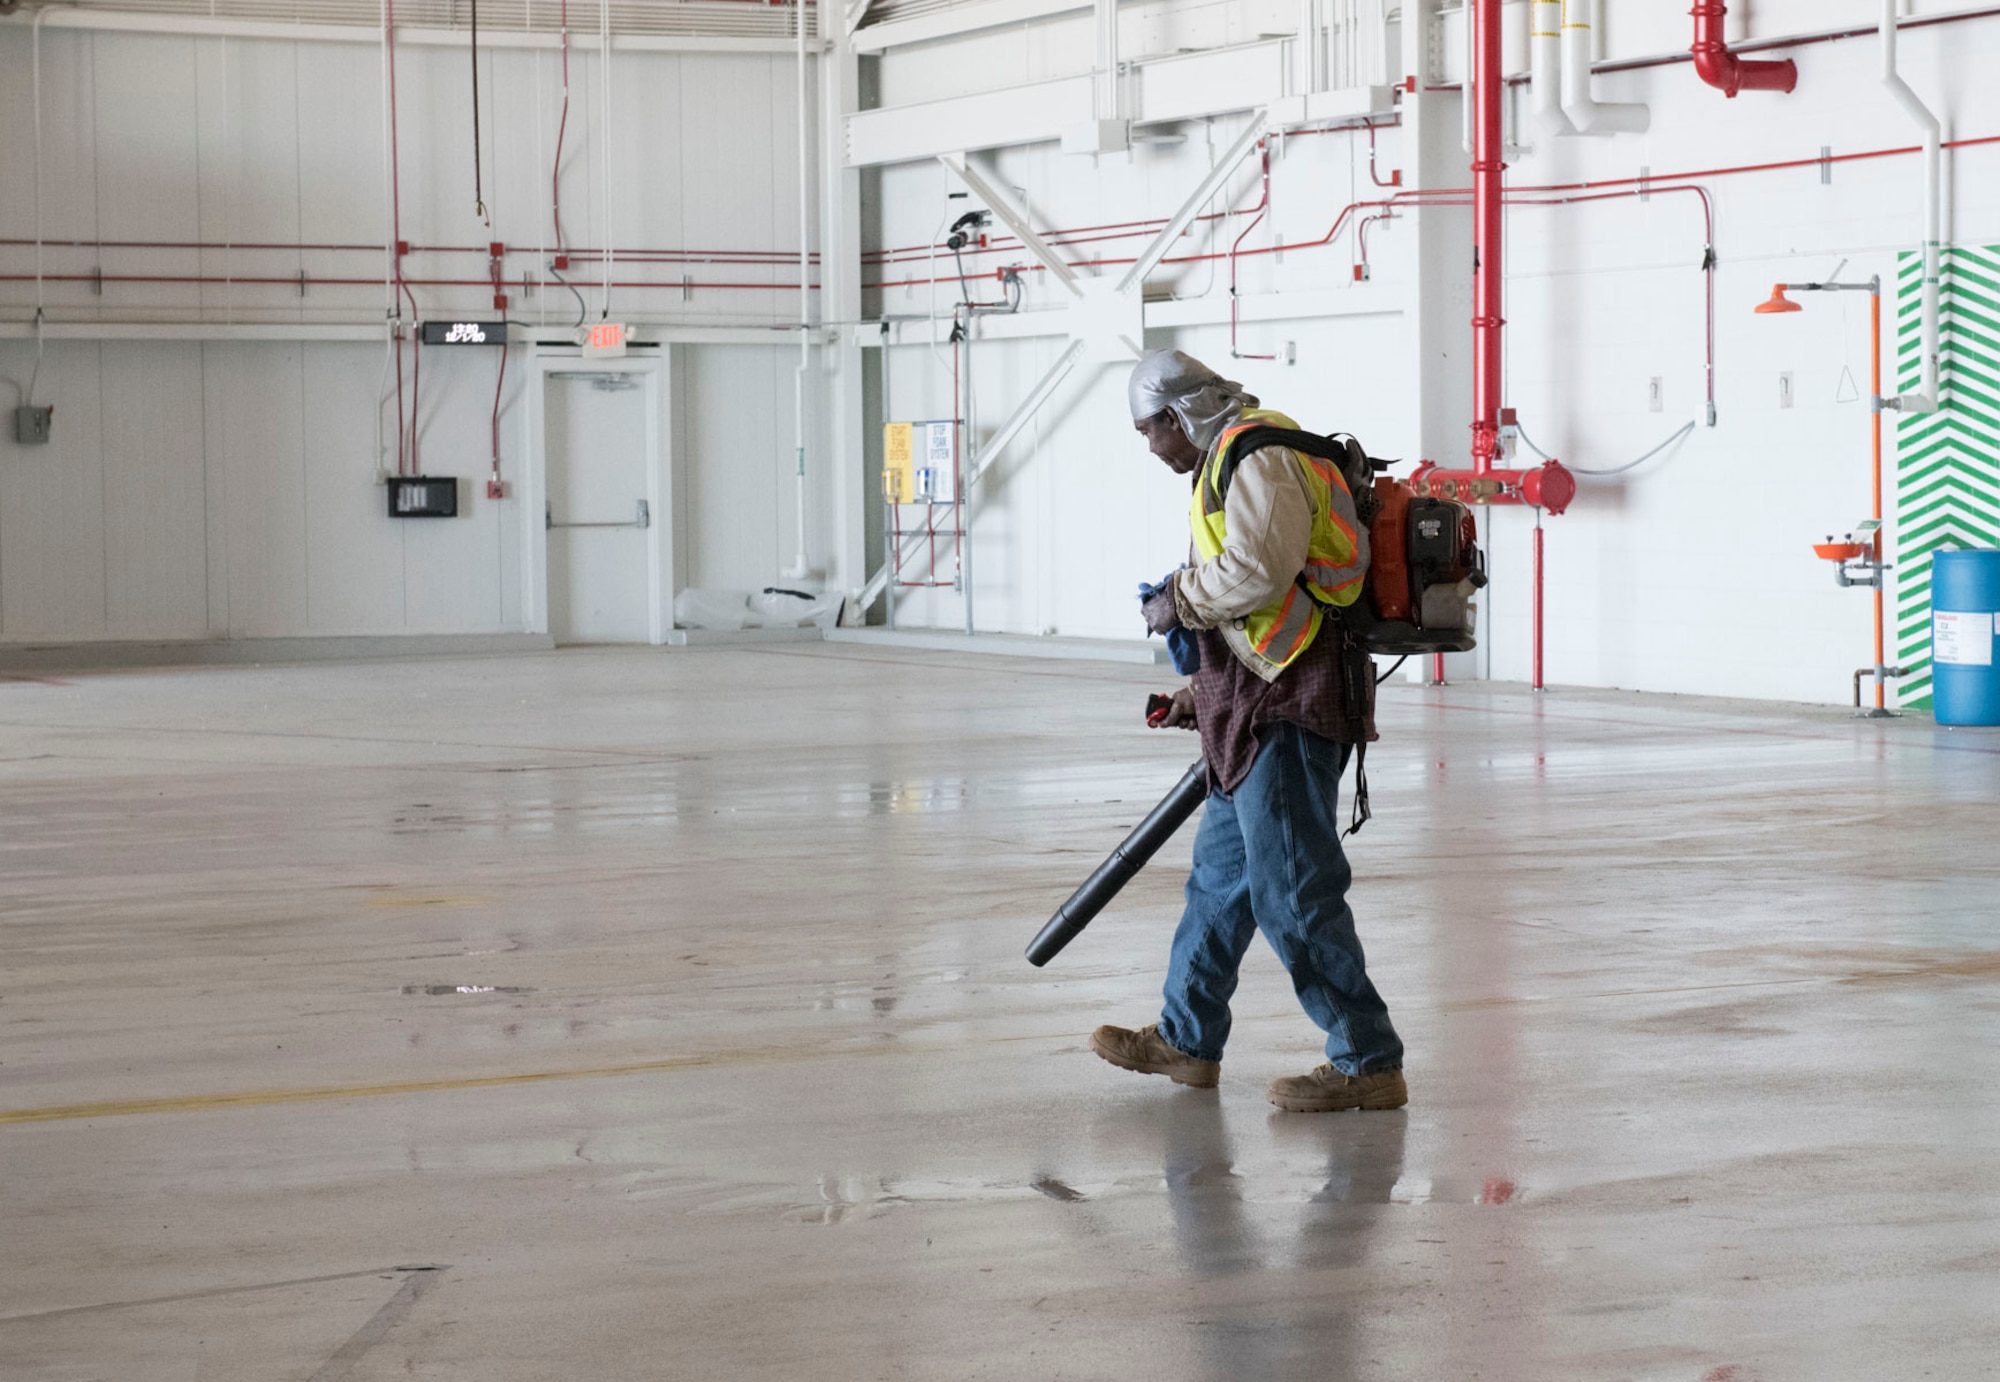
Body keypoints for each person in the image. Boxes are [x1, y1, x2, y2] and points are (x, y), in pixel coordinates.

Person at [1089, 349, 1407, 1113]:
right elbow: (1263, 603)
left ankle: (1368, 1060)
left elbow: (1258, 573)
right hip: (1254, 700)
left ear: (1175, 417)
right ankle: (1186, 1040)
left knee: (1293, 891)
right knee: (1219, 886)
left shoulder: (1258, 454)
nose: (1150, 447)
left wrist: (1176, 600)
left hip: (1291, 702)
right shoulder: (1230, 463)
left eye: (1147, 431)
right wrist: (1202, 689)